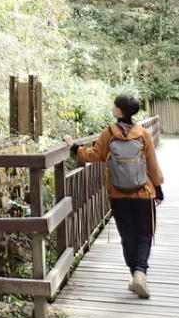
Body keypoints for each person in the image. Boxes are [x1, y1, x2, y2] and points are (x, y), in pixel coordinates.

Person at [64, 94, 164, 299]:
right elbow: (152, 163)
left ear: (119, 112)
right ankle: (140, 273)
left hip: (118, 194)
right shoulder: (143, 133)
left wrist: (74, 146)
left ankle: (135, 276)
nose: (113, 108)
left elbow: (94, 155)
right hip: (144, 192)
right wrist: (159, 187)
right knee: (145, 234)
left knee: (128, 236)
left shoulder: (109, 133)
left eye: (115, 106)